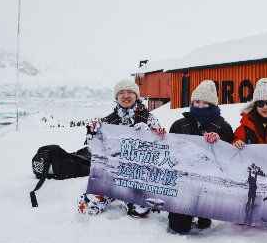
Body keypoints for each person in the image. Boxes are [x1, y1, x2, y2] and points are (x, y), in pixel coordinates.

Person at [77, 78, 166, 218]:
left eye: (130, 92)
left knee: (140, 210)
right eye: (121, 93)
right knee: (86, 207)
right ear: (116, 97)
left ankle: (129, 198)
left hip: (137, 177)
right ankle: (112, 194)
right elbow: (94, 150)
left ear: (136, 96)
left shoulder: (148, 118)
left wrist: (153, 135)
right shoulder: (107, 121)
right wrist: (92, 133)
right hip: (110, 176)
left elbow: (160, 150)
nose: (126, 96)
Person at [167, 80, 234, 234]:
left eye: (205, 103)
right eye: (197, 102)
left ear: (213, 105)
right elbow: (169, 149)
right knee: (178, 228)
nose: (199, 106)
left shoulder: (223, 127)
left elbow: (231, 155)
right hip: (183, 184)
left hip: (210, 185)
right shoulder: (179, 124)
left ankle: (203, 216)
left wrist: (219, 139)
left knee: (204, 224)